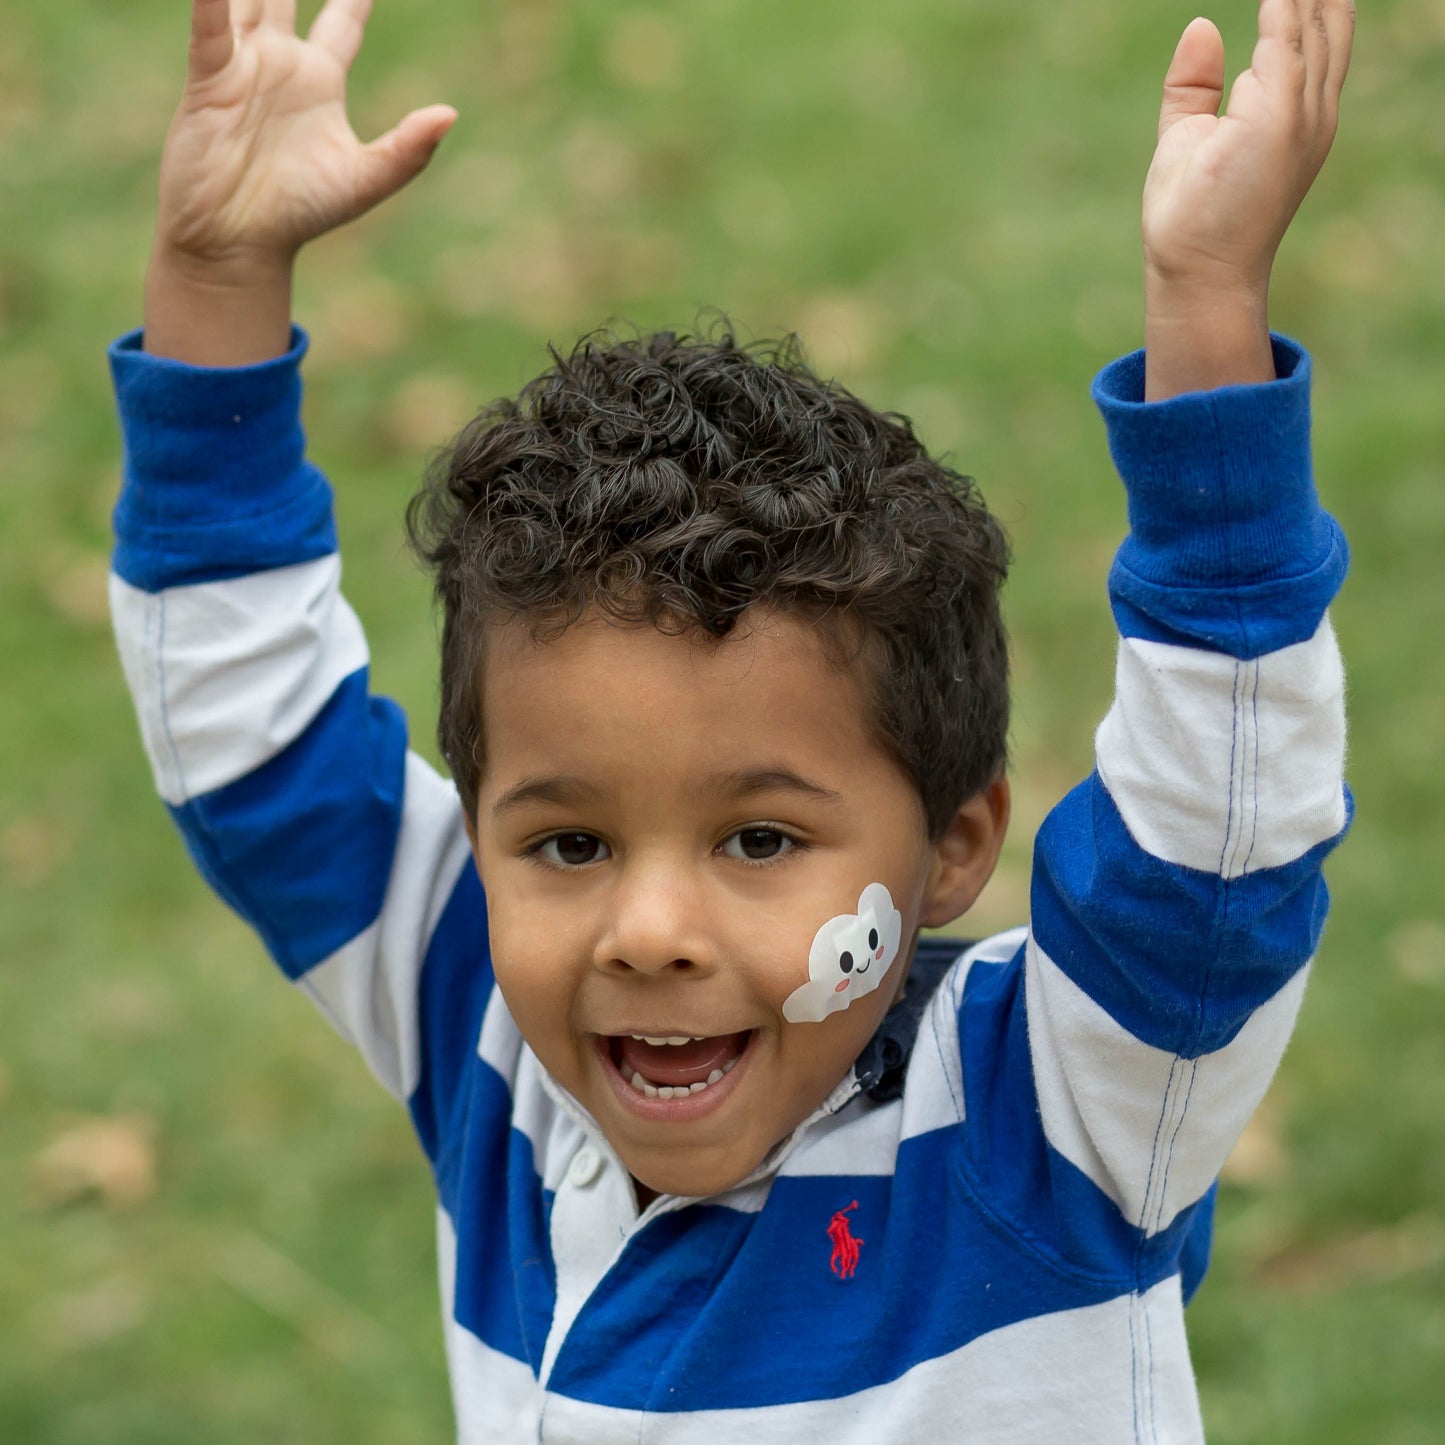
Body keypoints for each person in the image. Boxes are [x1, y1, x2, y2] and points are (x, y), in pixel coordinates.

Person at [107, 0, 1354, 1437]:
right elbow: (250, 737)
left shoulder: (1053, 1113)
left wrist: (1205, 308)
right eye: (567, 843)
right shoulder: (485, 1034)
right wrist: (213, 281)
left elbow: (1220, 822)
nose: (645, 929)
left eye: (757, 838)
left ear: (952, 844)